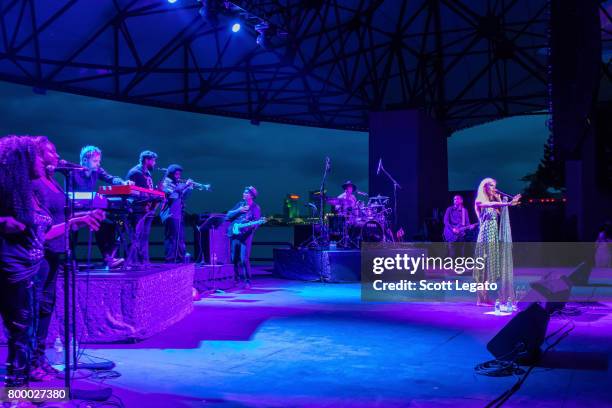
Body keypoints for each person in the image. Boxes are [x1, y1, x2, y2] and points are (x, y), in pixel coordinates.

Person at [0, 135, 103, 387]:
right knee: (20, 335)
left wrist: (74, 221)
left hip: (30, 271)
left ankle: (22, 392)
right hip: (14, 270)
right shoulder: (6, 190)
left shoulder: (28, 193)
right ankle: (15, 398)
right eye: (36, 155)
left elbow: (42, 233)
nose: (43, 161)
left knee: (25, 333)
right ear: (22, 160)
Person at [74, 145, 129, 268]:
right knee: (74, 228)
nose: (98, 164)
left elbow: (110, 178)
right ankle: (70, 260)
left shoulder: (97, 171)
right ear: (84, 161)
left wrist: (123, 183)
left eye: (99, 161)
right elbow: (71, 195)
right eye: (95, 161)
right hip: (76, 210)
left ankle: (108, 258)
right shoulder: (73, 173)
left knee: (109, 222)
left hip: (89, 208)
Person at [473, 178, 520, 306]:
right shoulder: (479, 201)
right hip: (485, 237)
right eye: (491, 186)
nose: (494, 188)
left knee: (491, 269)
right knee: (483, 269)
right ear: (485, 187)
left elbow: (501, 213)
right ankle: (480, 299)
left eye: (494, 186)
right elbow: (490, 205)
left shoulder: (493, 201)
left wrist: (500, 200)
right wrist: (509, 204)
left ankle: (484, 297)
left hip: (493, 238)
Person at [126, 150, 159, 265]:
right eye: (153, 160)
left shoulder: (147, 173)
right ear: (146, 160)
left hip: (147, 209)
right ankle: (133, 262)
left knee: (144, 237)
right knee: (136, 236)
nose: (154, 163)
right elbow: (129, 192)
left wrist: (156, 192)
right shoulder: (134, 173)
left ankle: (143, 261)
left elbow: (148, 190)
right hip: (138, 210)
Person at [226, 186, 262, 289]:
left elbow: (256, 223)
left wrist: (247, 226)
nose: (243, 194)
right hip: (235, 235)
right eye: (244, 192)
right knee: (234, 259)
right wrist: (239, 210)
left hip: (246, 236)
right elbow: (228, 215)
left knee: (243, 259)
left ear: (251, 196)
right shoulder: (240, 204)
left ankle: (247, 281)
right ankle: (236, 280)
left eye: (246, 193)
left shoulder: (255, 207)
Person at [160, 164, 193, 262]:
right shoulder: (166, 182)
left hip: (178, 213)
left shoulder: (176, 184)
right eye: (176, 174)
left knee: (180, 238)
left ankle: (179, 258)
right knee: (172, 239)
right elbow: (172, 195)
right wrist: (185, 185)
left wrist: (189, 188)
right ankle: (170, 260)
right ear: (171, 174)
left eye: (179, 174)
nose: (178, 176)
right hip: (170, 214)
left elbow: (183, 197)